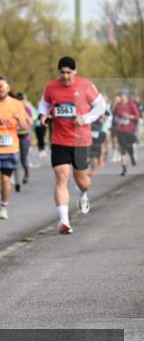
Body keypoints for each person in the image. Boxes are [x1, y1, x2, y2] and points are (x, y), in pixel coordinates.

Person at [38, 56, 107, 234]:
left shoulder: (86, 86)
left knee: (82, 181)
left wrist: (85, 118)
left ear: (75, 71)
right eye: (62, 72)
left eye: (69, 72)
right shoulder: (51, 87)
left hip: (80, 140)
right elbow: (43, 105)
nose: (66, 76)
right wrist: (43, 116)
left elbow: (101, 106)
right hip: (59, 139)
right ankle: (64, 221)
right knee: (61, 177)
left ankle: (83, 194)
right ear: (58, 72)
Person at [0, 77, 30, 221]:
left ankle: (3, 207)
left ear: (8, 89)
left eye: (4, 88)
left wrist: (18, 118)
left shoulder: (17, 105)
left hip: (11, 148)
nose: (1, 90)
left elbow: (25, 127)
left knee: (6, 180)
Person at [113, 90, 140, 176]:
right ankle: (124, 168)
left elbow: (137, 116)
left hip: (129, 129)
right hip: (120, 129)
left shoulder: (131, 105)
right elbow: (115, 116)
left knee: (129, 147)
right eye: (120, 95)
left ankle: (132, 157)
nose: (121, 97)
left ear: (127, 96)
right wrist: (116, 119)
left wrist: (129, 116)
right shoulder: (118, 106)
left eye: (123, 95)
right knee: (122, 149)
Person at [14, 92, 35, 190]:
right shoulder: (12, 109)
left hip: (25, 137)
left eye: (21, 100)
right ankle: (17, 181)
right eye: (18, 101)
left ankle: (26, 172)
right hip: (14, 137)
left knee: (23, 159)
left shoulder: (27, 109)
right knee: (14, 159)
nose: (20, 102)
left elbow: (30, 123)